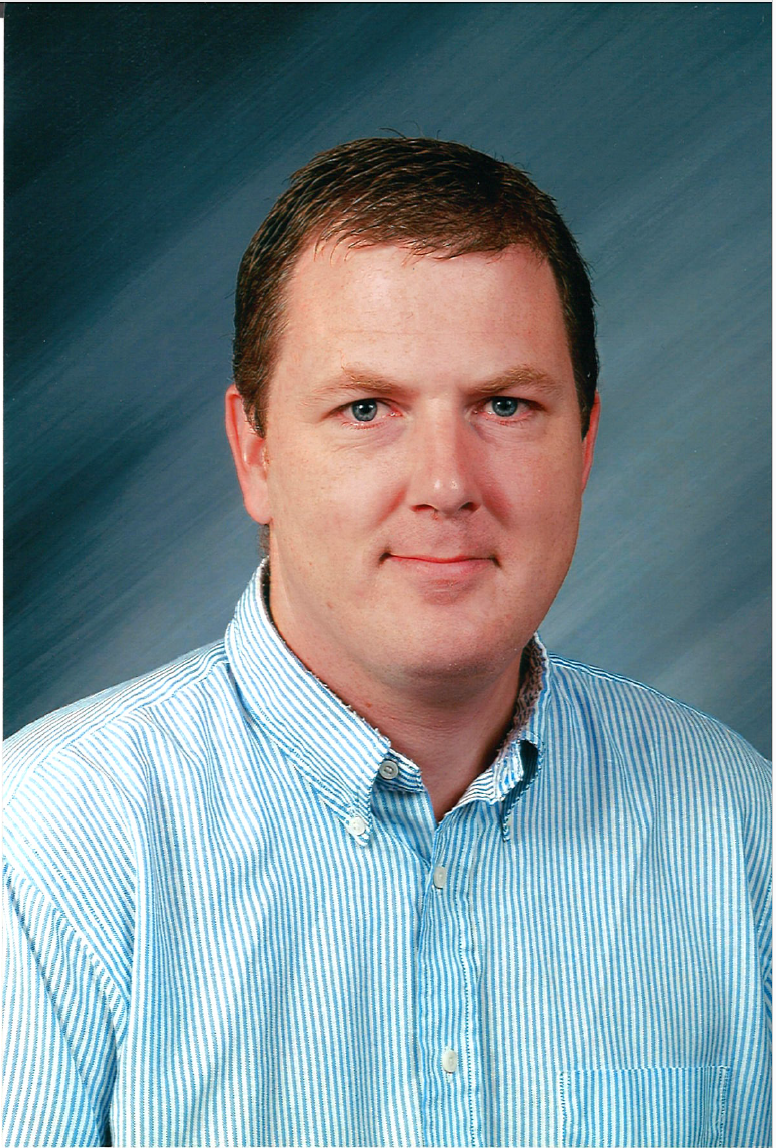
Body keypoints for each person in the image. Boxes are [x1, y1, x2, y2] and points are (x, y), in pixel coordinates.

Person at [3, 137, 770, 1148]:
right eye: (367, 409)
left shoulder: (737, 831)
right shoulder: (49, 847)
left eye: (505, 404)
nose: (445, 482)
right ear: (256, 451)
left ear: (581, 443)